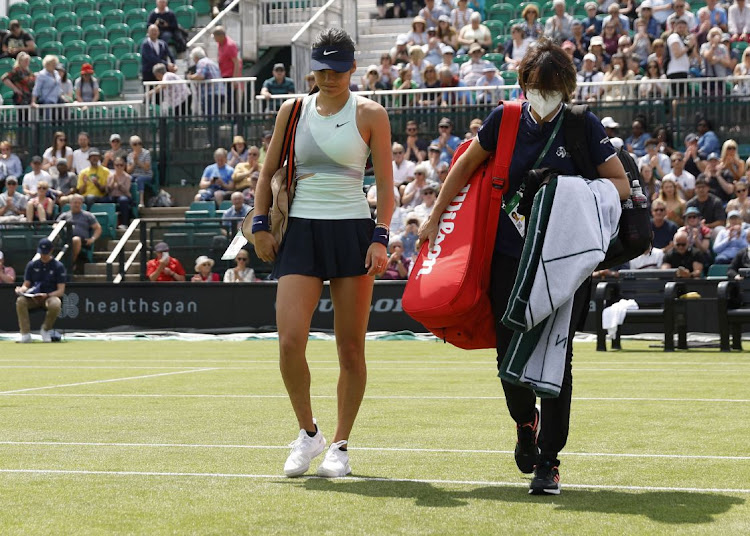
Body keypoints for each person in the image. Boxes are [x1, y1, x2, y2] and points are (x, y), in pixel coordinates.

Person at [418, 38, 629, 496]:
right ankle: (524, 421)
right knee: (507, 358)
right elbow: (464, 166)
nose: (543, 95)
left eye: (552, 87)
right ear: (524, 83)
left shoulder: (582, 126)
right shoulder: (505, 119)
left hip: (563, 269)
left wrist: (567, 192)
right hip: (508, 260)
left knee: (559, 359)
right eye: (536, 85)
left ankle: (549, 462)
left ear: (567, 88)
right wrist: (435, 216)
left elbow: (620, 185)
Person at [252, 28, 393, 479]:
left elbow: (388, 188)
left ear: (352, 68)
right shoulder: (291, 110)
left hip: (353, 231)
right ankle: (308, 433)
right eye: (321, 69)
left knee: (350, 348)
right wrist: (258, 225)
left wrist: (381, 236)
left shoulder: (372, 113)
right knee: (290, 340)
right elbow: (267, 172)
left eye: (337, 69)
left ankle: (340, 444)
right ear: (311, 68)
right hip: (301, 233)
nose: (328, 77)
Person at [14, 239, 65, 344]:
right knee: (20, 301)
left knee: (56, 303)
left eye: (45, 253)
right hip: (33, 298)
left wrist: (46, 295)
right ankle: (25, 334)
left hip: (49, 297)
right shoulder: (32, 265)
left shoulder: (58, 267)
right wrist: (21, 290)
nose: (43, 255)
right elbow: (26, 284)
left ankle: (45, 330)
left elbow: (60, 291)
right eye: (41, 253)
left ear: (51, 251)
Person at [57, 194, 102, 271]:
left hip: (82, 241)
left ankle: (70, 264)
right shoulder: (64, 215)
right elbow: (55, 225)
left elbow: (98, 228)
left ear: (81, 204)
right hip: (66, 239)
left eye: (79, 203)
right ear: (70, 203)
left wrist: (92, 239)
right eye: (75, 202)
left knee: (76, 240)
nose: (77, 205)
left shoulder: (88, 215)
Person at [127, 136, 153, 208]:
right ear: (131, 145)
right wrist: (134, 163)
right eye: (135, 144)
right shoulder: (130, 155)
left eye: (139, 143)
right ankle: (130, 200)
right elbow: (128, 171)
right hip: (134, 175)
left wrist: (137, 161)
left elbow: (147, 168)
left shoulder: (146, 153)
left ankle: (141, 201)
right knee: (128, 179)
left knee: (139, 180)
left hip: (146, 175)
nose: (138, 146)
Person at [106, 156, 133, 228]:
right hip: (113, 196)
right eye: (117, 165)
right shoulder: (110, 176)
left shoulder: (127, 177)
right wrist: (112, 182)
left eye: (121, 165)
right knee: (101, 200)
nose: (119, 167)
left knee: (123, 200)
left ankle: (124, 223)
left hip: (124, 196)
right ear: (114, 166)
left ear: (124, 166)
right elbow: (108, 190)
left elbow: (126, 190)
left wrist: (119, 183)